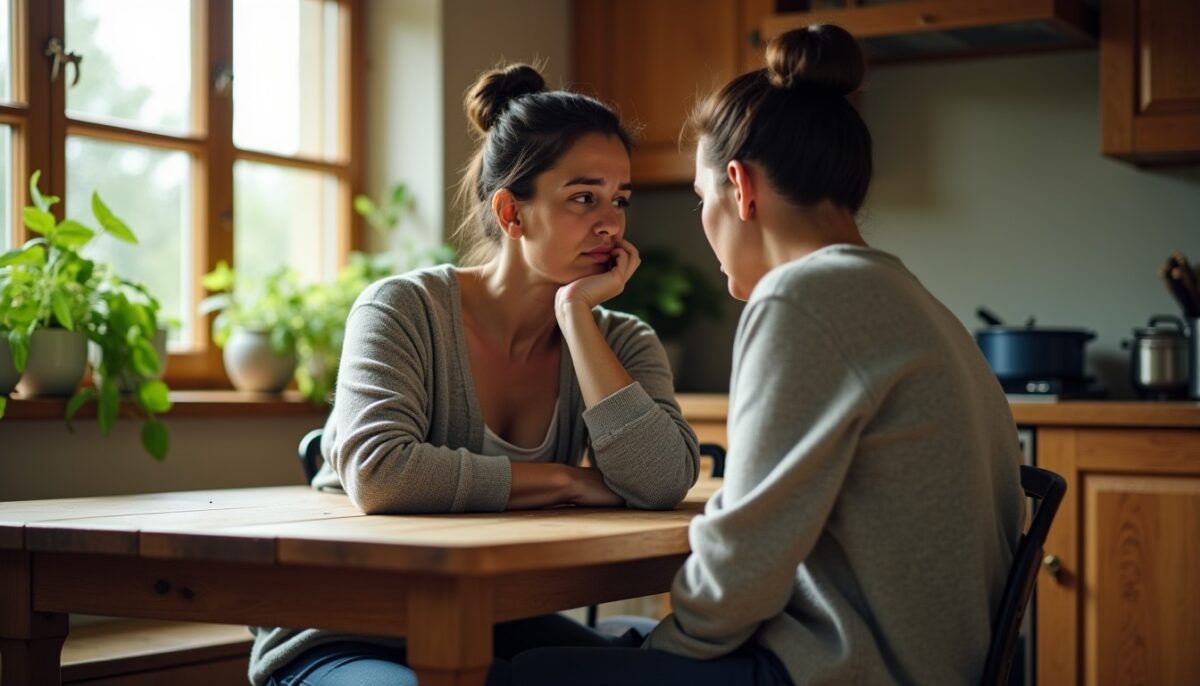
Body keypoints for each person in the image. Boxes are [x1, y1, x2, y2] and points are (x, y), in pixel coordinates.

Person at [492, 24, 1026, 686]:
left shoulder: (804, 297)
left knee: (520, 675)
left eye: (700, 198)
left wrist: (663, 651)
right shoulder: (917, 303)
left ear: (739, 188)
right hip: (927, 666)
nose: (704, 222)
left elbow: (743, 560)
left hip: (842, 672)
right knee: (554, 648)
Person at [248, 63, 701, 686]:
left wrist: (574, 315)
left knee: (665, 671)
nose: (611, 224)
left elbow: (662, 480)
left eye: (619, 200)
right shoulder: (401, 310)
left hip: (492, 617)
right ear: (512, 213)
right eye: (583, 198)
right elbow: (382, 474)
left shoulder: (619, 338)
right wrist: (569, 480)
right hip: (342, 627)